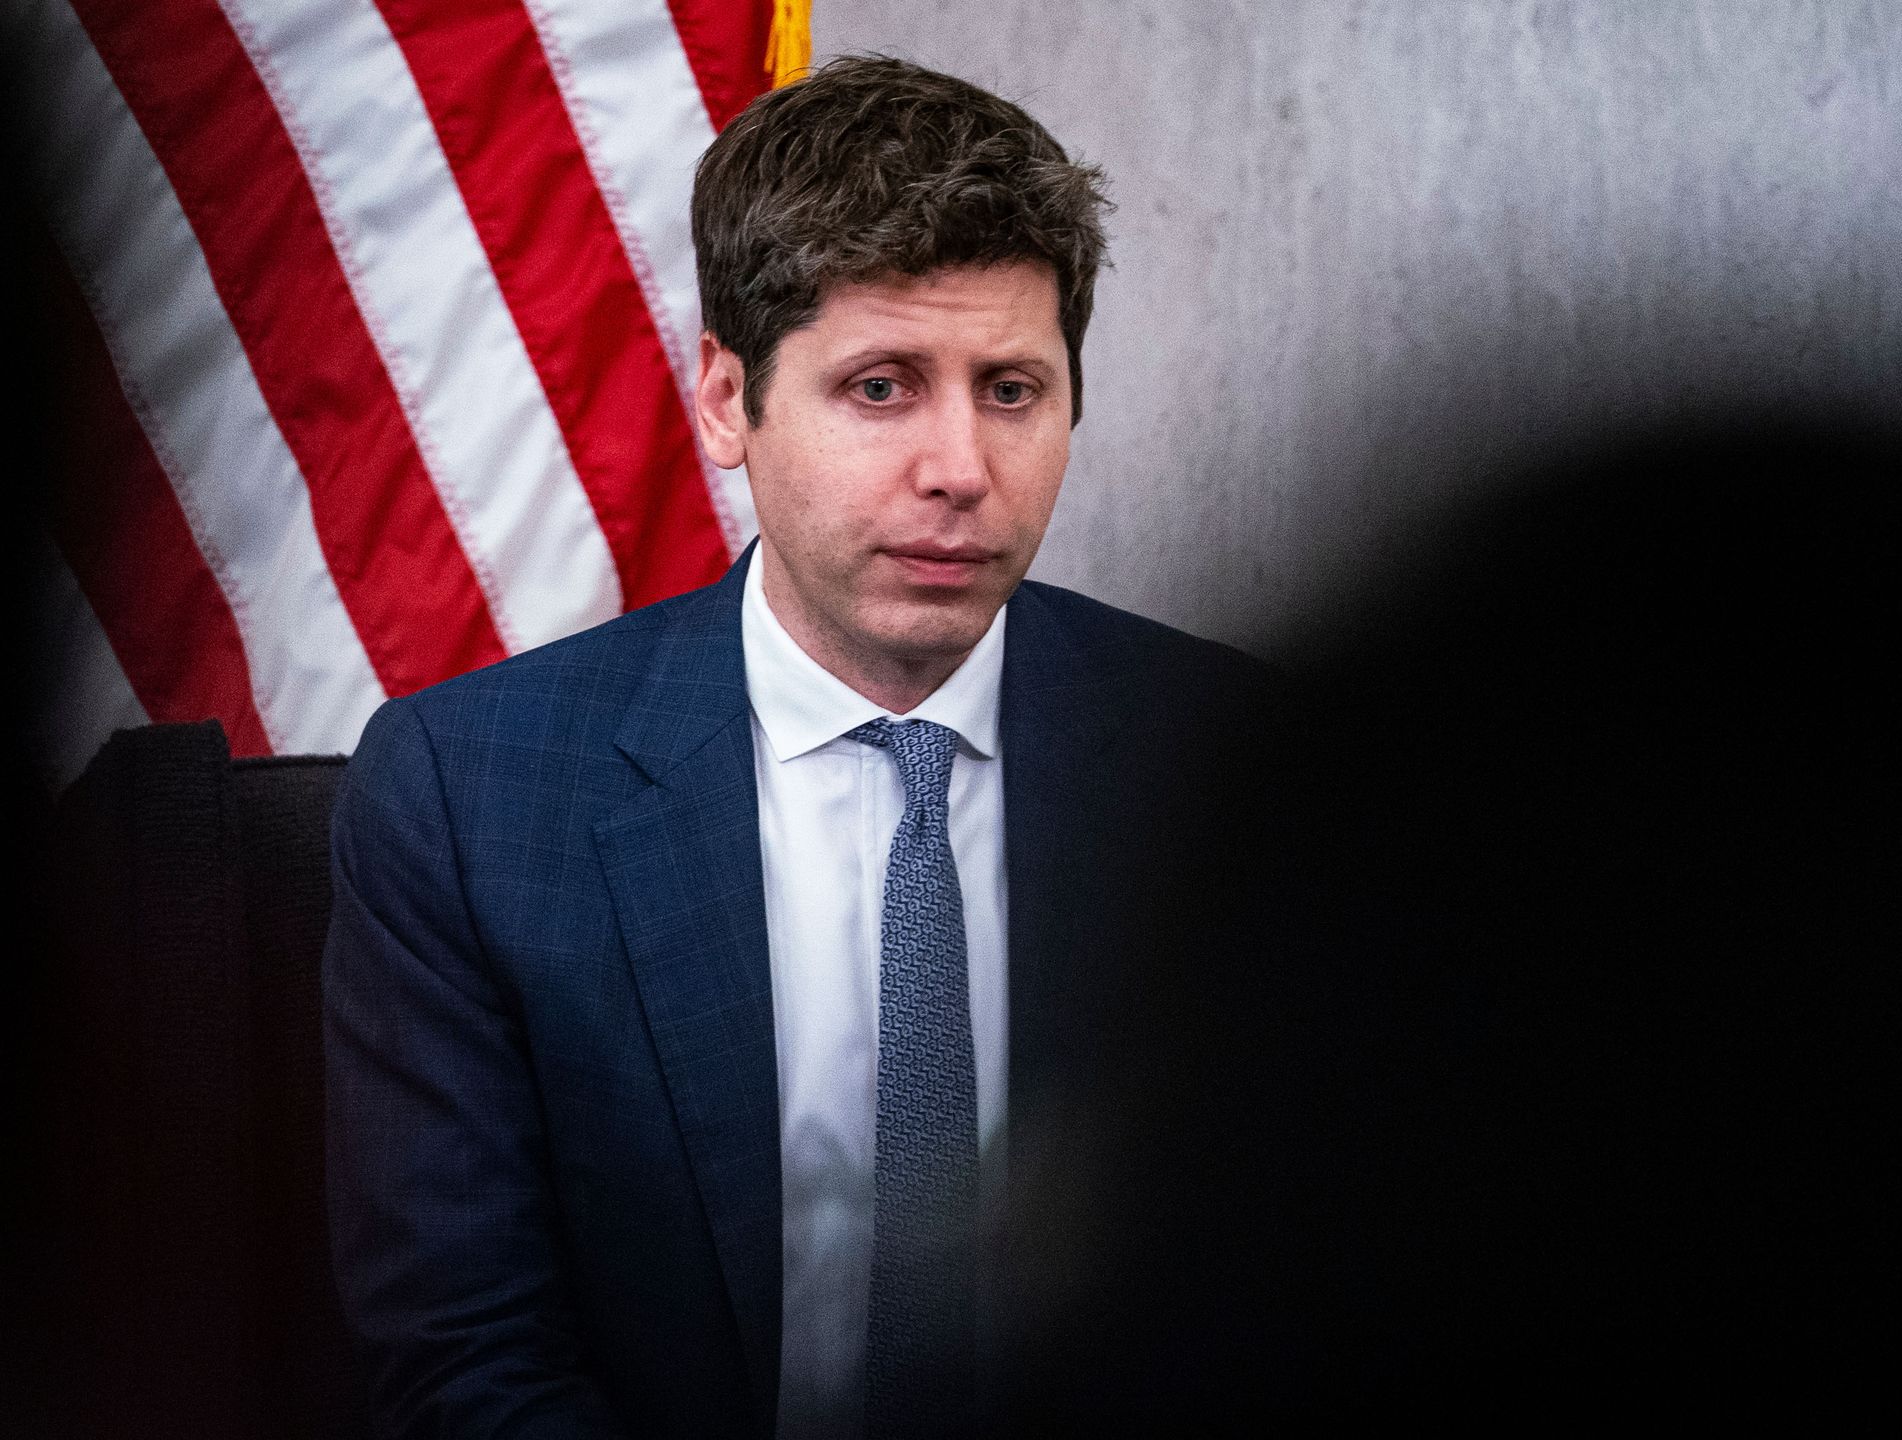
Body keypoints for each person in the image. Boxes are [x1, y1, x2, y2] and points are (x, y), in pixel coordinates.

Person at [323, 56, 1261, 1440]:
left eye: (1012, 389)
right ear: (726, 401)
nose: (960, 468)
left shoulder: (1248, 767)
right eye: (881, 387)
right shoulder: (469, 797)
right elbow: (463, 1362)